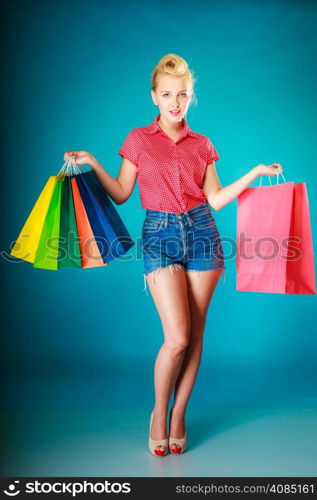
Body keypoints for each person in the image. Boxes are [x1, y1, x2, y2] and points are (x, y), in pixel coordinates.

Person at [64, 53, 283, 457]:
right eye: (167, 95)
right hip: (159, 235)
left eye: (182, 94)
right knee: (177, 338)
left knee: (196, 334)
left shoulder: (203, 145)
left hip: (203, 234)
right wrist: (92, 161)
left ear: (191, 96)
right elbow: (121, 193)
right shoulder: (137, 140)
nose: (175, 102)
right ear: (154, 97)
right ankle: (157, 414)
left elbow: (215, 200)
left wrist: (254, 172)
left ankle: (179, 415)